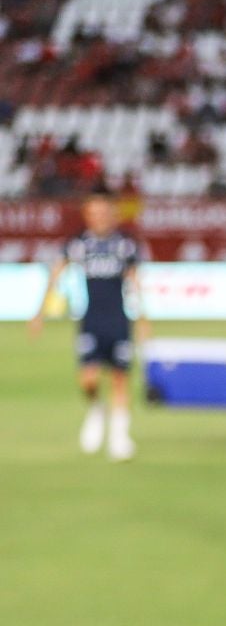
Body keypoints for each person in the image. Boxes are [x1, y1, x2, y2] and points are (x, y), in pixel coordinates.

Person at [28, 191, 148, 462]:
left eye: (104, 212)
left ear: (113, 214)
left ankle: (119, 437)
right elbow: (56, 274)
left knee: (120, 378)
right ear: (87, 215)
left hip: (118, 320)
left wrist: (142, 318)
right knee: (89, 379)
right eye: (94, 213)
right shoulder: (79, 243)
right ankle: (96, 410)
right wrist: (39, 313)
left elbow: (134, 280)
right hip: (91, 319)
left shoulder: (124, 244)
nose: (100, 218)